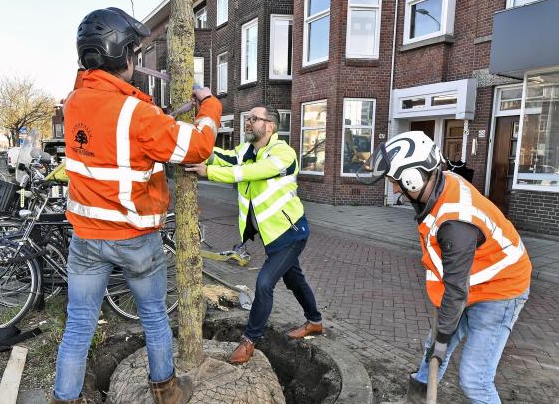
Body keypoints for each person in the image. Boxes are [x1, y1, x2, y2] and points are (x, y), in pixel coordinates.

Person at [51, 7, 221, 404]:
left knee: (79, 323)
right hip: (136, 238)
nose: (136, 61)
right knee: (154, 316)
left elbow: (109, 124)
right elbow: (199, 145)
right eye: (134, 52)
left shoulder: (74, 102)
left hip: (86, 238)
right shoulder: (139, 116)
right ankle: (167, 391)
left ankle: (64, 398)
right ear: (122, 55)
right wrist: (209, 106)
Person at [357, 131, 531, 403]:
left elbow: (455, 288)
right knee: (435, 346)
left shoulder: (455, 224)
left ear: (412, 178)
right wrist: (439, 341)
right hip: (470, 281)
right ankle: (417, 397)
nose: (393, 189)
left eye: (394, 181)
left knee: (474, 379)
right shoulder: (439, 184)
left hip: (501, 289)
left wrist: (442, 340)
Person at [185, 105, 322, 364]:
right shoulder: (247, 150)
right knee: (294, 280)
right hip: (272, 237)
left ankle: (249, 341)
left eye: (254, 119)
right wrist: (199, 150)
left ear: (269, 126)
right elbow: (225, 157)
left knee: (264, 284)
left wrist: (208, 172)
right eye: (247, 118)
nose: (248, 123)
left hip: (291, 233)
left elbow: (249, 172)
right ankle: (314, 321)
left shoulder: (283, 153)